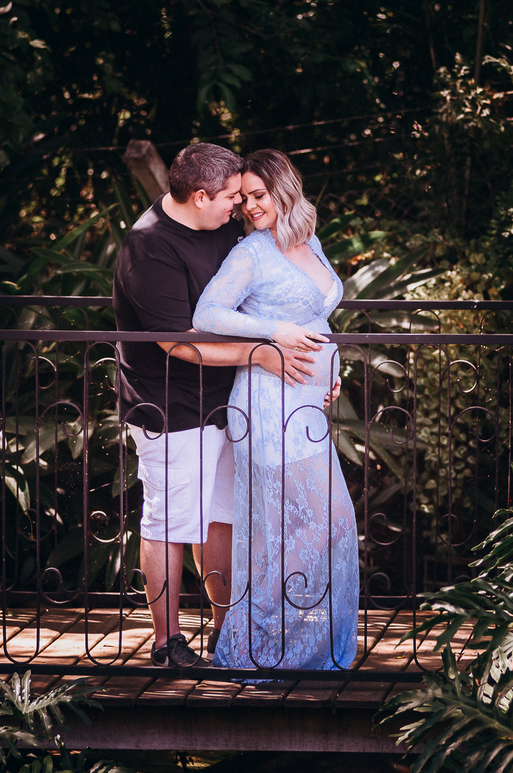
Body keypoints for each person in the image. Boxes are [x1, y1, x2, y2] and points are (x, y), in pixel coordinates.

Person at [113, 143, 317, 669]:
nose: (239, 207)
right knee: (170, 521)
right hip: (167, 405)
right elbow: (177, 343)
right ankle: (166, 643)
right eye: (230, 197)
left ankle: (225, 628)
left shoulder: (223, 227)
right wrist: (264, 355)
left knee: (221, 518)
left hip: (226, 399)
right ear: (200, 196)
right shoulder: (148, 246)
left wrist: (316, 369)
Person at [193, 149, 359, 672]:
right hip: (267, 403)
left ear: (285, 189)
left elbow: (318, 313)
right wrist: (273, 332)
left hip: (308, 406)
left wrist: (331, 373)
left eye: (259, 197)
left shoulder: (309, 240)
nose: (250, 208)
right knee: (306, 526)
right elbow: (206, 314)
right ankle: (257, 648)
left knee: (318, 526)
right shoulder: (250, 252)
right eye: (244, 200)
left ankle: (295, 648)